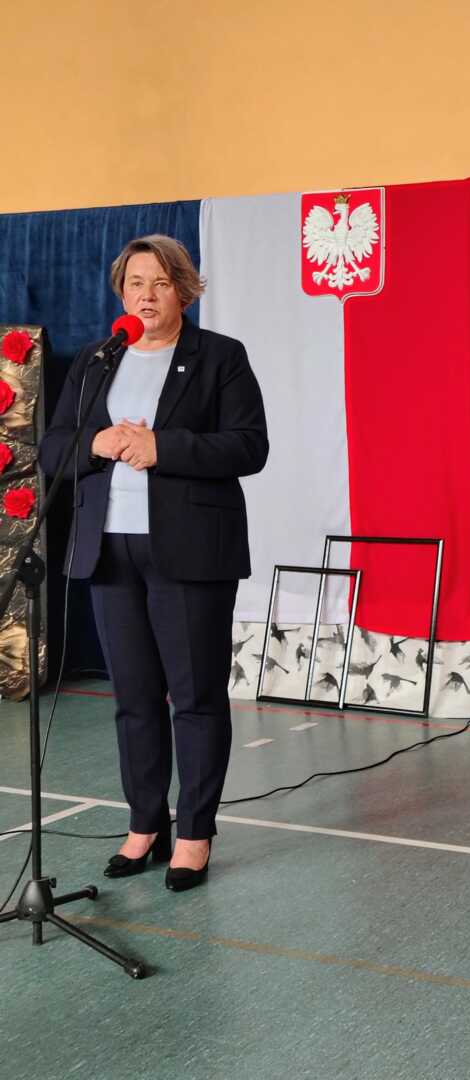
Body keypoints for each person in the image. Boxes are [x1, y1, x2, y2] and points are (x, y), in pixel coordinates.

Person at [39, 235, 268, 892]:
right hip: (109, 548)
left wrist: (162, 448)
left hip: (190, 552)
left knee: (194, 698)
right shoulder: (97, 359)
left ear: (184, 291)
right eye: (135, 283)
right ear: (122, 291)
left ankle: (194, 832)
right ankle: (145, 824)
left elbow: (248, 447)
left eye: (160, 283)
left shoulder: (220, 357)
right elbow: (53, 448)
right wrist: (99, 441)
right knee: (134, 699)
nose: (146, 295)